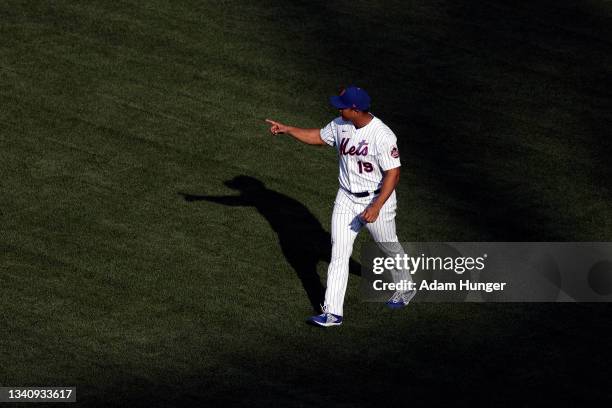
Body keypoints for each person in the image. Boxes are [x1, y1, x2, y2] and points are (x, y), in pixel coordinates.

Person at [265, 86, 415, 327]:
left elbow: (393, 174)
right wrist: (289, 129)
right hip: (346, 198)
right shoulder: (340, 124)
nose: (338, 108)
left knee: (388, 246)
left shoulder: (383, 135)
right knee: (339, 254)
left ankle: (406, 287)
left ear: (355, 110)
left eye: (342, 105)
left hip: (377, 200)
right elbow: (318, 137)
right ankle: (333, 313)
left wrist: (376, 207)